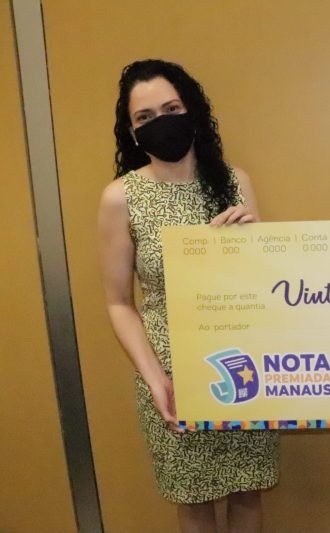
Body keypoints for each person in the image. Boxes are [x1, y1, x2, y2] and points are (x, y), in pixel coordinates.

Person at [98, 59, 278, 532]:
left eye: (171, 108)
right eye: (145, 117)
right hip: (170, 374)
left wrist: (257, 242)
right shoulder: (121, 197)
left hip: (242, 364)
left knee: (248, 490)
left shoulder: (234, 182)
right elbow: (118, 301)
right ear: (132, 132)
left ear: (192, 111)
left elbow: (264, 285)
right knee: (193, 498)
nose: (161, 122)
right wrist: (156, 379)